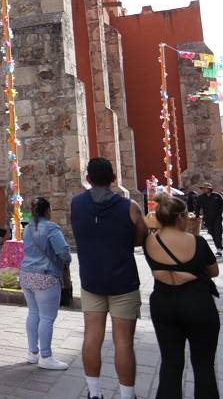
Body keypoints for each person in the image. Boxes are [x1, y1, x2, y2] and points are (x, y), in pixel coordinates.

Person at [70, 157, 148, 399]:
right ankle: (127, 394)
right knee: (123, 341)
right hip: (123, 281)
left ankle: (94, 393)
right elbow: (140, 237)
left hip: (91, 280)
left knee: (92, 337)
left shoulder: (76, 204)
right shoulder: (130, 207)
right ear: (114, 179)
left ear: (88, 179)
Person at [144, 195, 220, 399]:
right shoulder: (197, 241)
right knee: (203, 365)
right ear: (180, 218)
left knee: (170, 363)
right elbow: (214, 272)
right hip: (197, 303)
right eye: (187, 216)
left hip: (163, 304)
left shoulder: (149, 241)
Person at [20, 196, 71, 370]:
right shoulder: (51, 228)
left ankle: (32, 353)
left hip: (26, 275)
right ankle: (46, 356)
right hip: (45, 275)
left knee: (33, 314)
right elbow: (63, 251)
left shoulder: (27, 228)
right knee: (47, 317)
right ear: (47, 210)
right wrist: (67, 263)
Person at [196, 182, 223, 256]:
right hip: (207, 218)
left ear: (209, 189)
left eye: (204, 188)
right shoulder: (201, 197)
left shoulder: (217, 196)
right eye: (202, 188)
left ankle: (219, 249)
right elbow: (197, 207)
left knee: (218, 232)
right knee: (212, 233)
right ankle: (218, 246)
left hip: (217, 218)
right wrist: (197, 216)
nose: (203, 189)